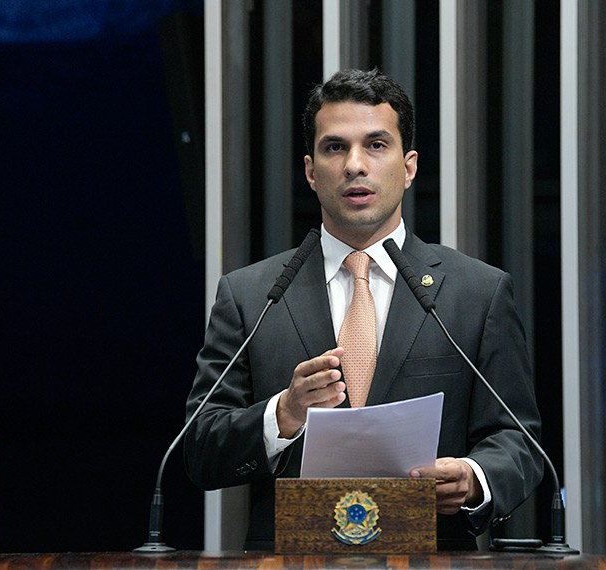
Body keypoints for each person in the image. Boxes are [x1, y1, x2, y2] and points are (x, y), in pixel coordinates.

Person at [183, 68, 543, 550]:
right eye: (335, 147)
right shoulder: (251, 296)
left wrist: (474, 477)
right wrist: (283, 414)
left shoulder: (477, 292)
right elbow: (200, 448)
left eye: (376, 145)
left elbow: (520, 442)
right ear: (311, 171)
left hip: (433, 559)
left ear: (409, 167)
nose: (355, 165)